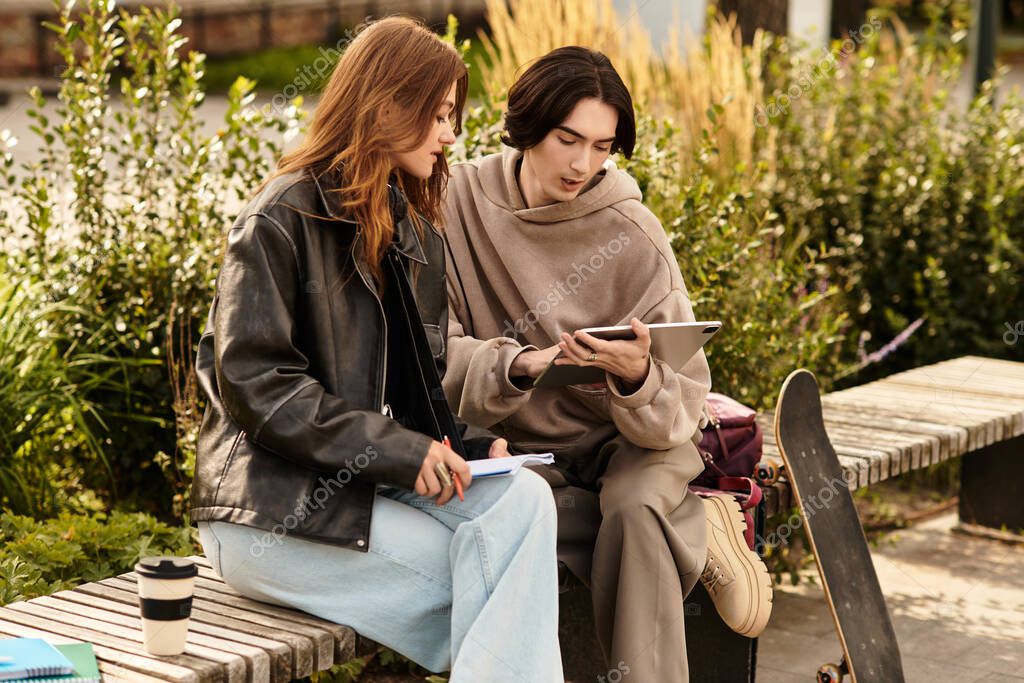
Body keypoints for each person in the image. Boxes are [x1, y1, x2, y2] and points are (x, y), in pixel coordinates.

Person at [188, 18, 563, 682]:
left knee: (525, 503)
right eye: (440, 114)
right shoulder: (279, 219)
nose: (451, 134)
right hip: (272, 513)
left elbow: (420, 387)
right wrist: (398, 451)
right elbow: (259, 385)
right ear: (388, 104)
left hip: (364, 489)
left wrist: (472, 446)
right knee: (503, 590)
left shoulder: (411, 231)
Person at [441, 46, 772, 681]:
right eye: (569, 139)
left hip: (637, 443)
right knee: (540, 519)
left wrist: (637, 375)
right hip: (525, 449)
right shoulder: (455, 206)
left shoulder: (633, 234)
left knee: (638, 510)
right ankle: (702, 525)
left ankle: (684, 520)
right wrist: (521, 365)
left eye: (603, 146)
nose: (583, 164)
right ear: (528, 122)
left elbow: (682, 403)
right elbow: (432, 351)